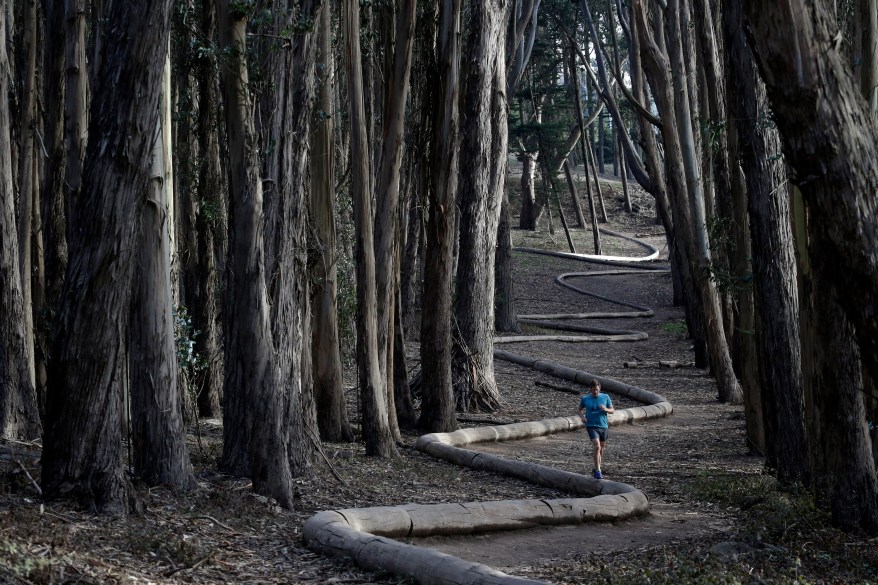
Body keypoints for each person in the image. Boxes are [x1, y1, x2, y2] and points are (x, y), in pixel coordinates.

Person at [578, 379, 614, 479]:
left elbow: (612, 410)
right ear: (590, 389)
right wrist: (582, 417)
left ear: (600, 388)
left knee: (602, 448)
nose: (595, 392)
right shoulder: (585, 399)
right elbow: (579, 410)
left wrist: (605, 409)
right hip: (591, 425)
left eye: (597, 390)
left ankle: (597, 466)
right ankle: (598, 471)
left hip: (603, 426)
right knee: (597, 446)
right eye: (593, 390)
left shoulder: (605, 397)